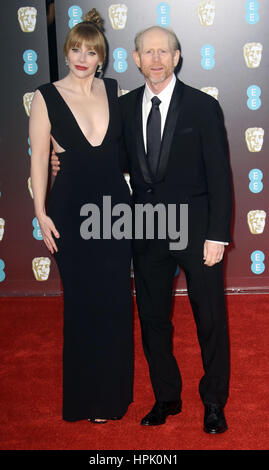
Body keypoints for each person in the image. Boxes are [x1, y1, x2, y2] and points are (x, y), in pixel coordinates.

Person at [52, 26, 232, 434]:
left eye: (163, 52)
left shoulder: (203, 107)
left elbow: (220, 175)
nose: (155, 59)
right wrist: (61, 164)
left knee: (210, 319)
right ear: (134, 59)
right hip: (147, 231)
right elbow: (104, 159)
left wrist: (217, 235)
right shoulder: (125, 106)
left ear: (177, 57)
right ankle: (167, 397)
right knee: (153, 320)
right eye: (147, 52)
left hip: (196, 230)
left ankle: (214, 402)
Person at [29, 9, 133, 423]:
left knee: (113, 303)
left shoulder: (113, 90)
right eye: (75, 49)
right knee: (82, 303)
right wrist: (40, 212)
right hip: (69, 212)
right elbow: (39, 158)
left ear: (101, 57)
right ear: (67, 52)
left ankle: (112, 397)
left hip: (114, 212)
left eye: (90, 51)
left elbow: (122, 153)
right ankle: (84, 397)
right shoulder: (46, 95)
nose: (81, 58)